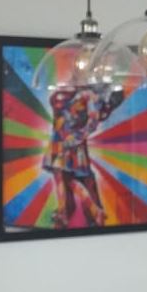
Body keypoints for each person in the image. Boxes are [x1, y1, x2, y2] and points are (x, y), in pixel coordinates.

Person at [43, 86, 124, 228]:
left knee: (66, 177)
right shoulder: (76, 93)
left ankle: (89, 211)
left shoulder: (88, 96)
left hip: (69, 143)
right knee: (62, 176)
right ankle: (70, 212)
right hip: (62, 140)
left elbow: (92, 122)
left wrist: (76, 138)